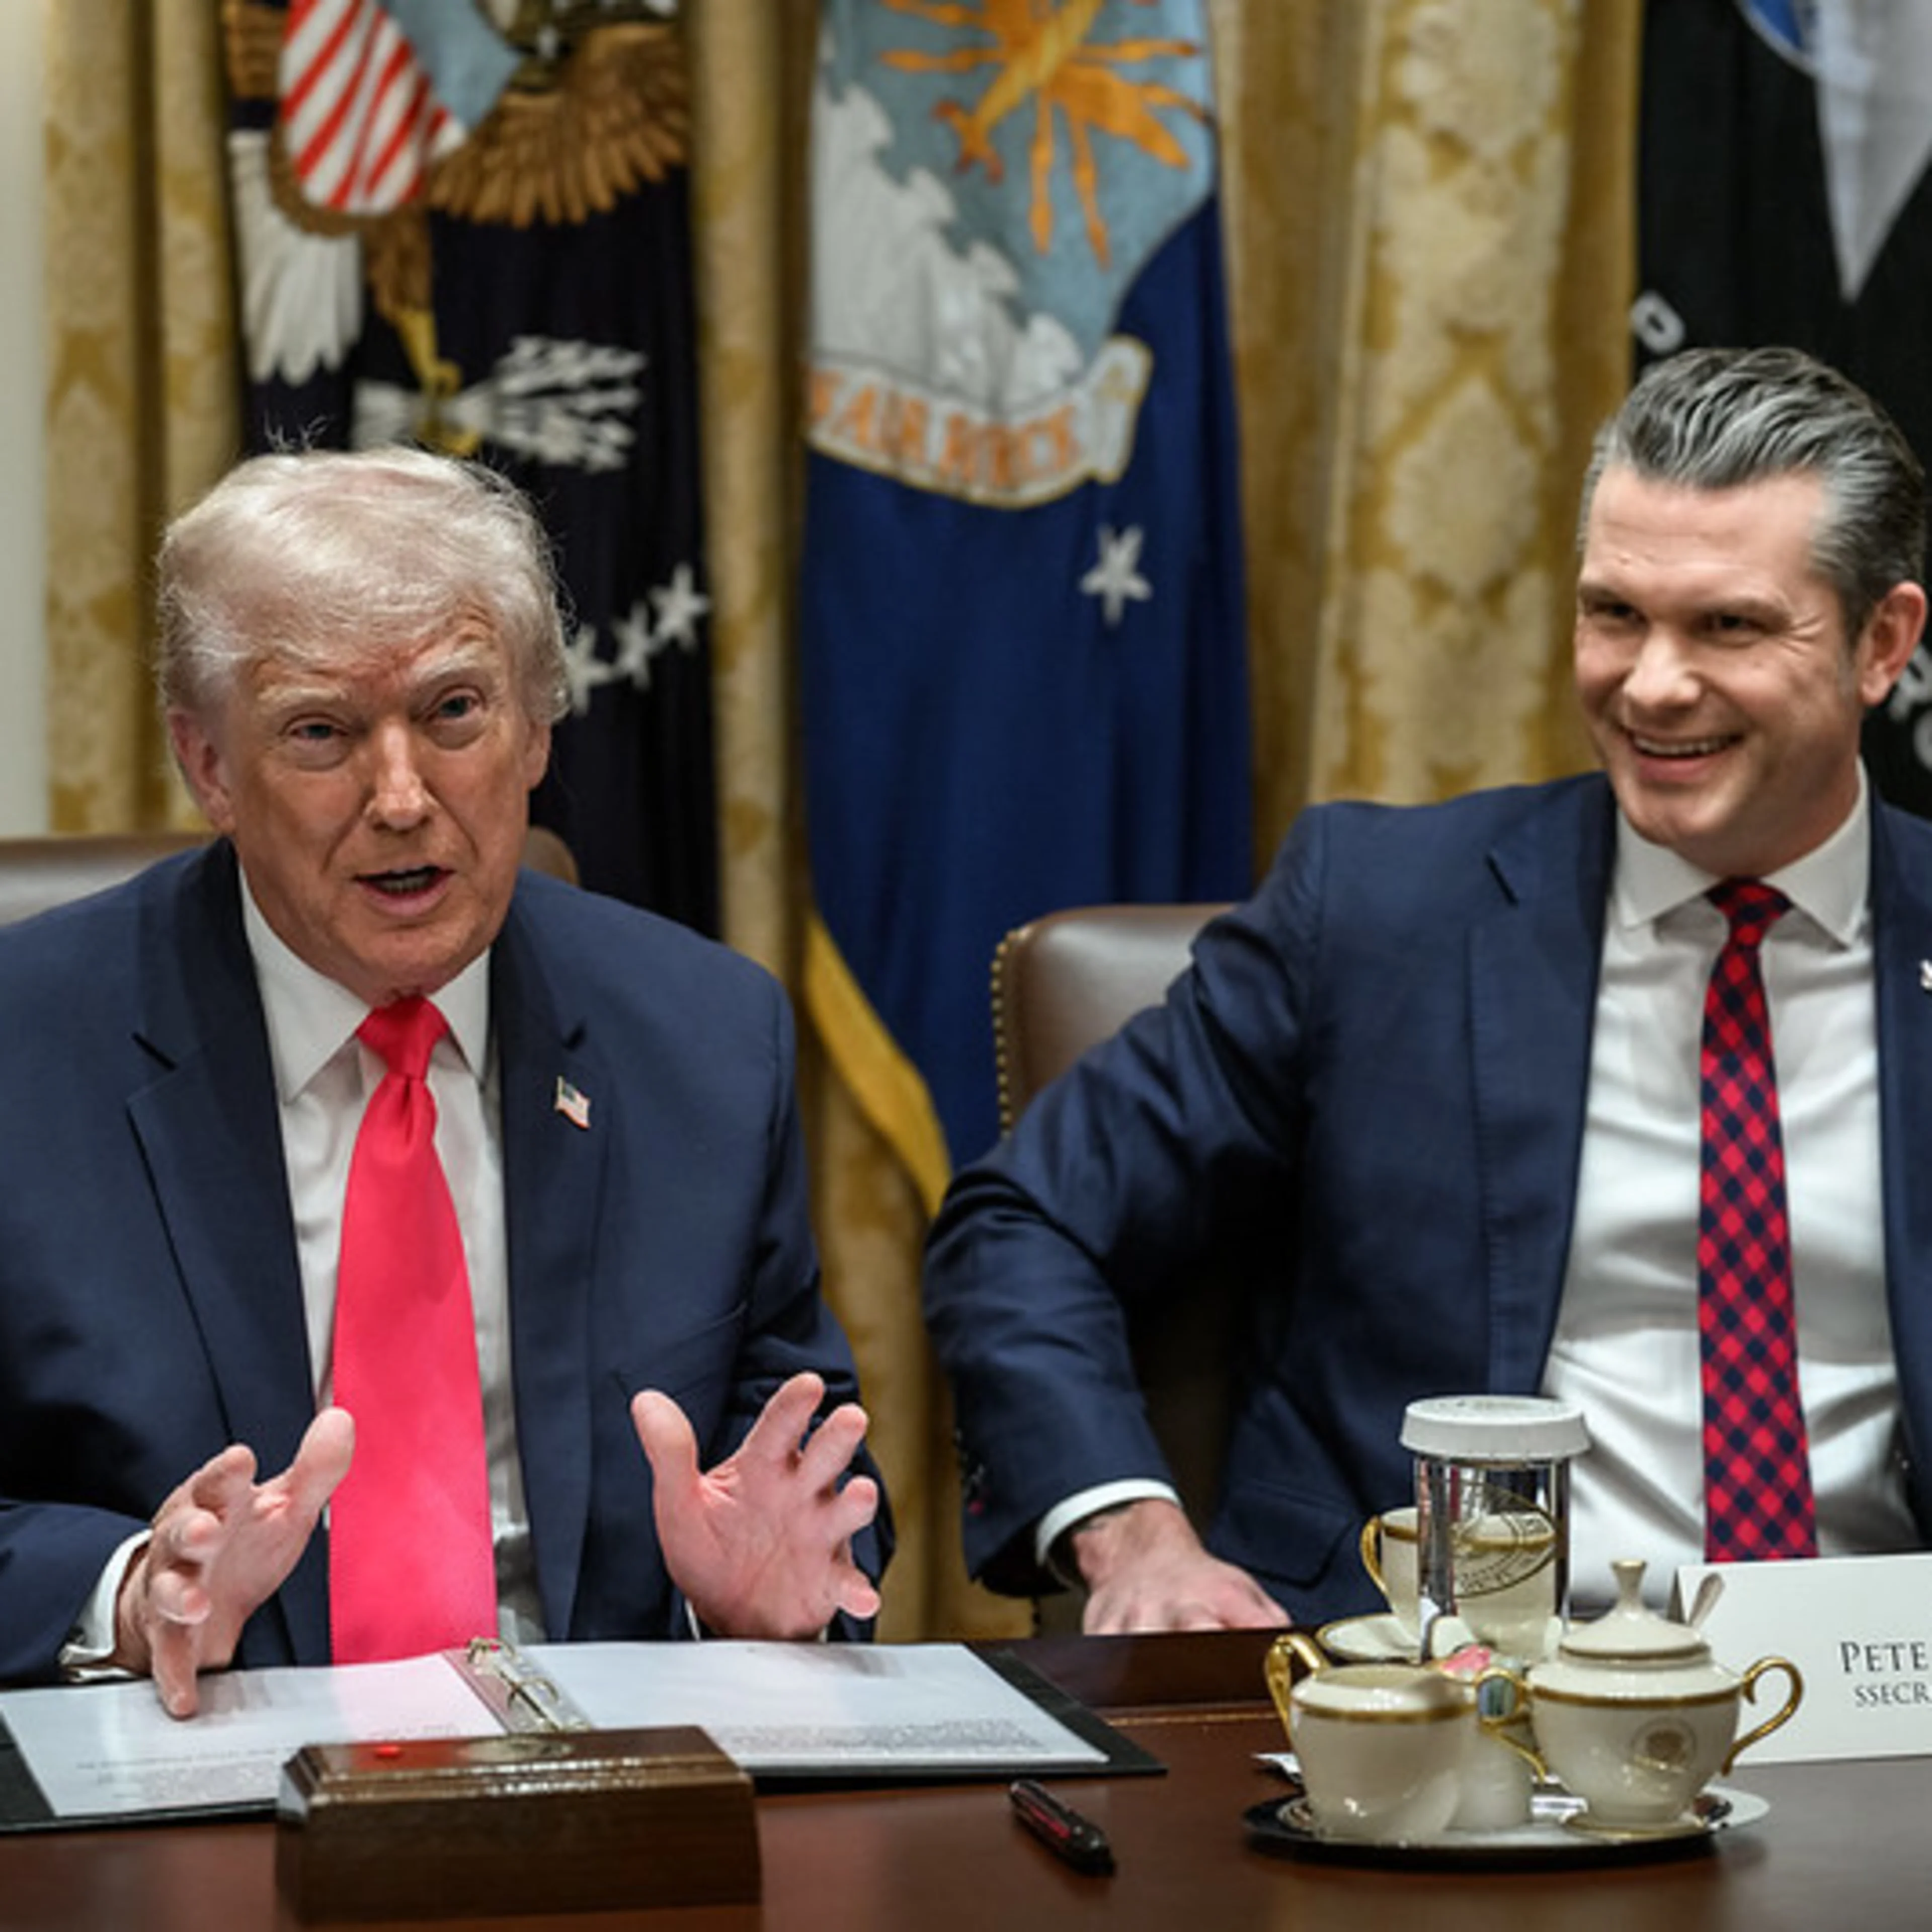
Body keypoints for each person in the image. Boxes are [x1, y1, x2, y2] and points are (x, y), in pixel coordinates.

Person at [924, 344, 1932, 1632]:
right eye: (1615, 613)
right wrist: (1135, 1540)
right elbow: (1023, 1223)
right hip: (1434, 1706)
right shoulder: (1375, 911)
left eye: (1728, 626)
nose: (1653, 684)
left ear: (1881, 641)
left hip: (1879, 1707)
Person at [0, 447, 886, 1714]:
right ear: (208, 768)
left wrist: (747, 1592)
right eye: (322, 732)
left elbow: (811, 1472)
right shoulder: (26, 1051)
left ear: (534, 729)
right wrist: (134, 1593)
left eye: (456, 711)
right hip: (194, 1778)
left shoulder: (702, 1038)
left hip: (606, 1785)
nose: (404, 797)